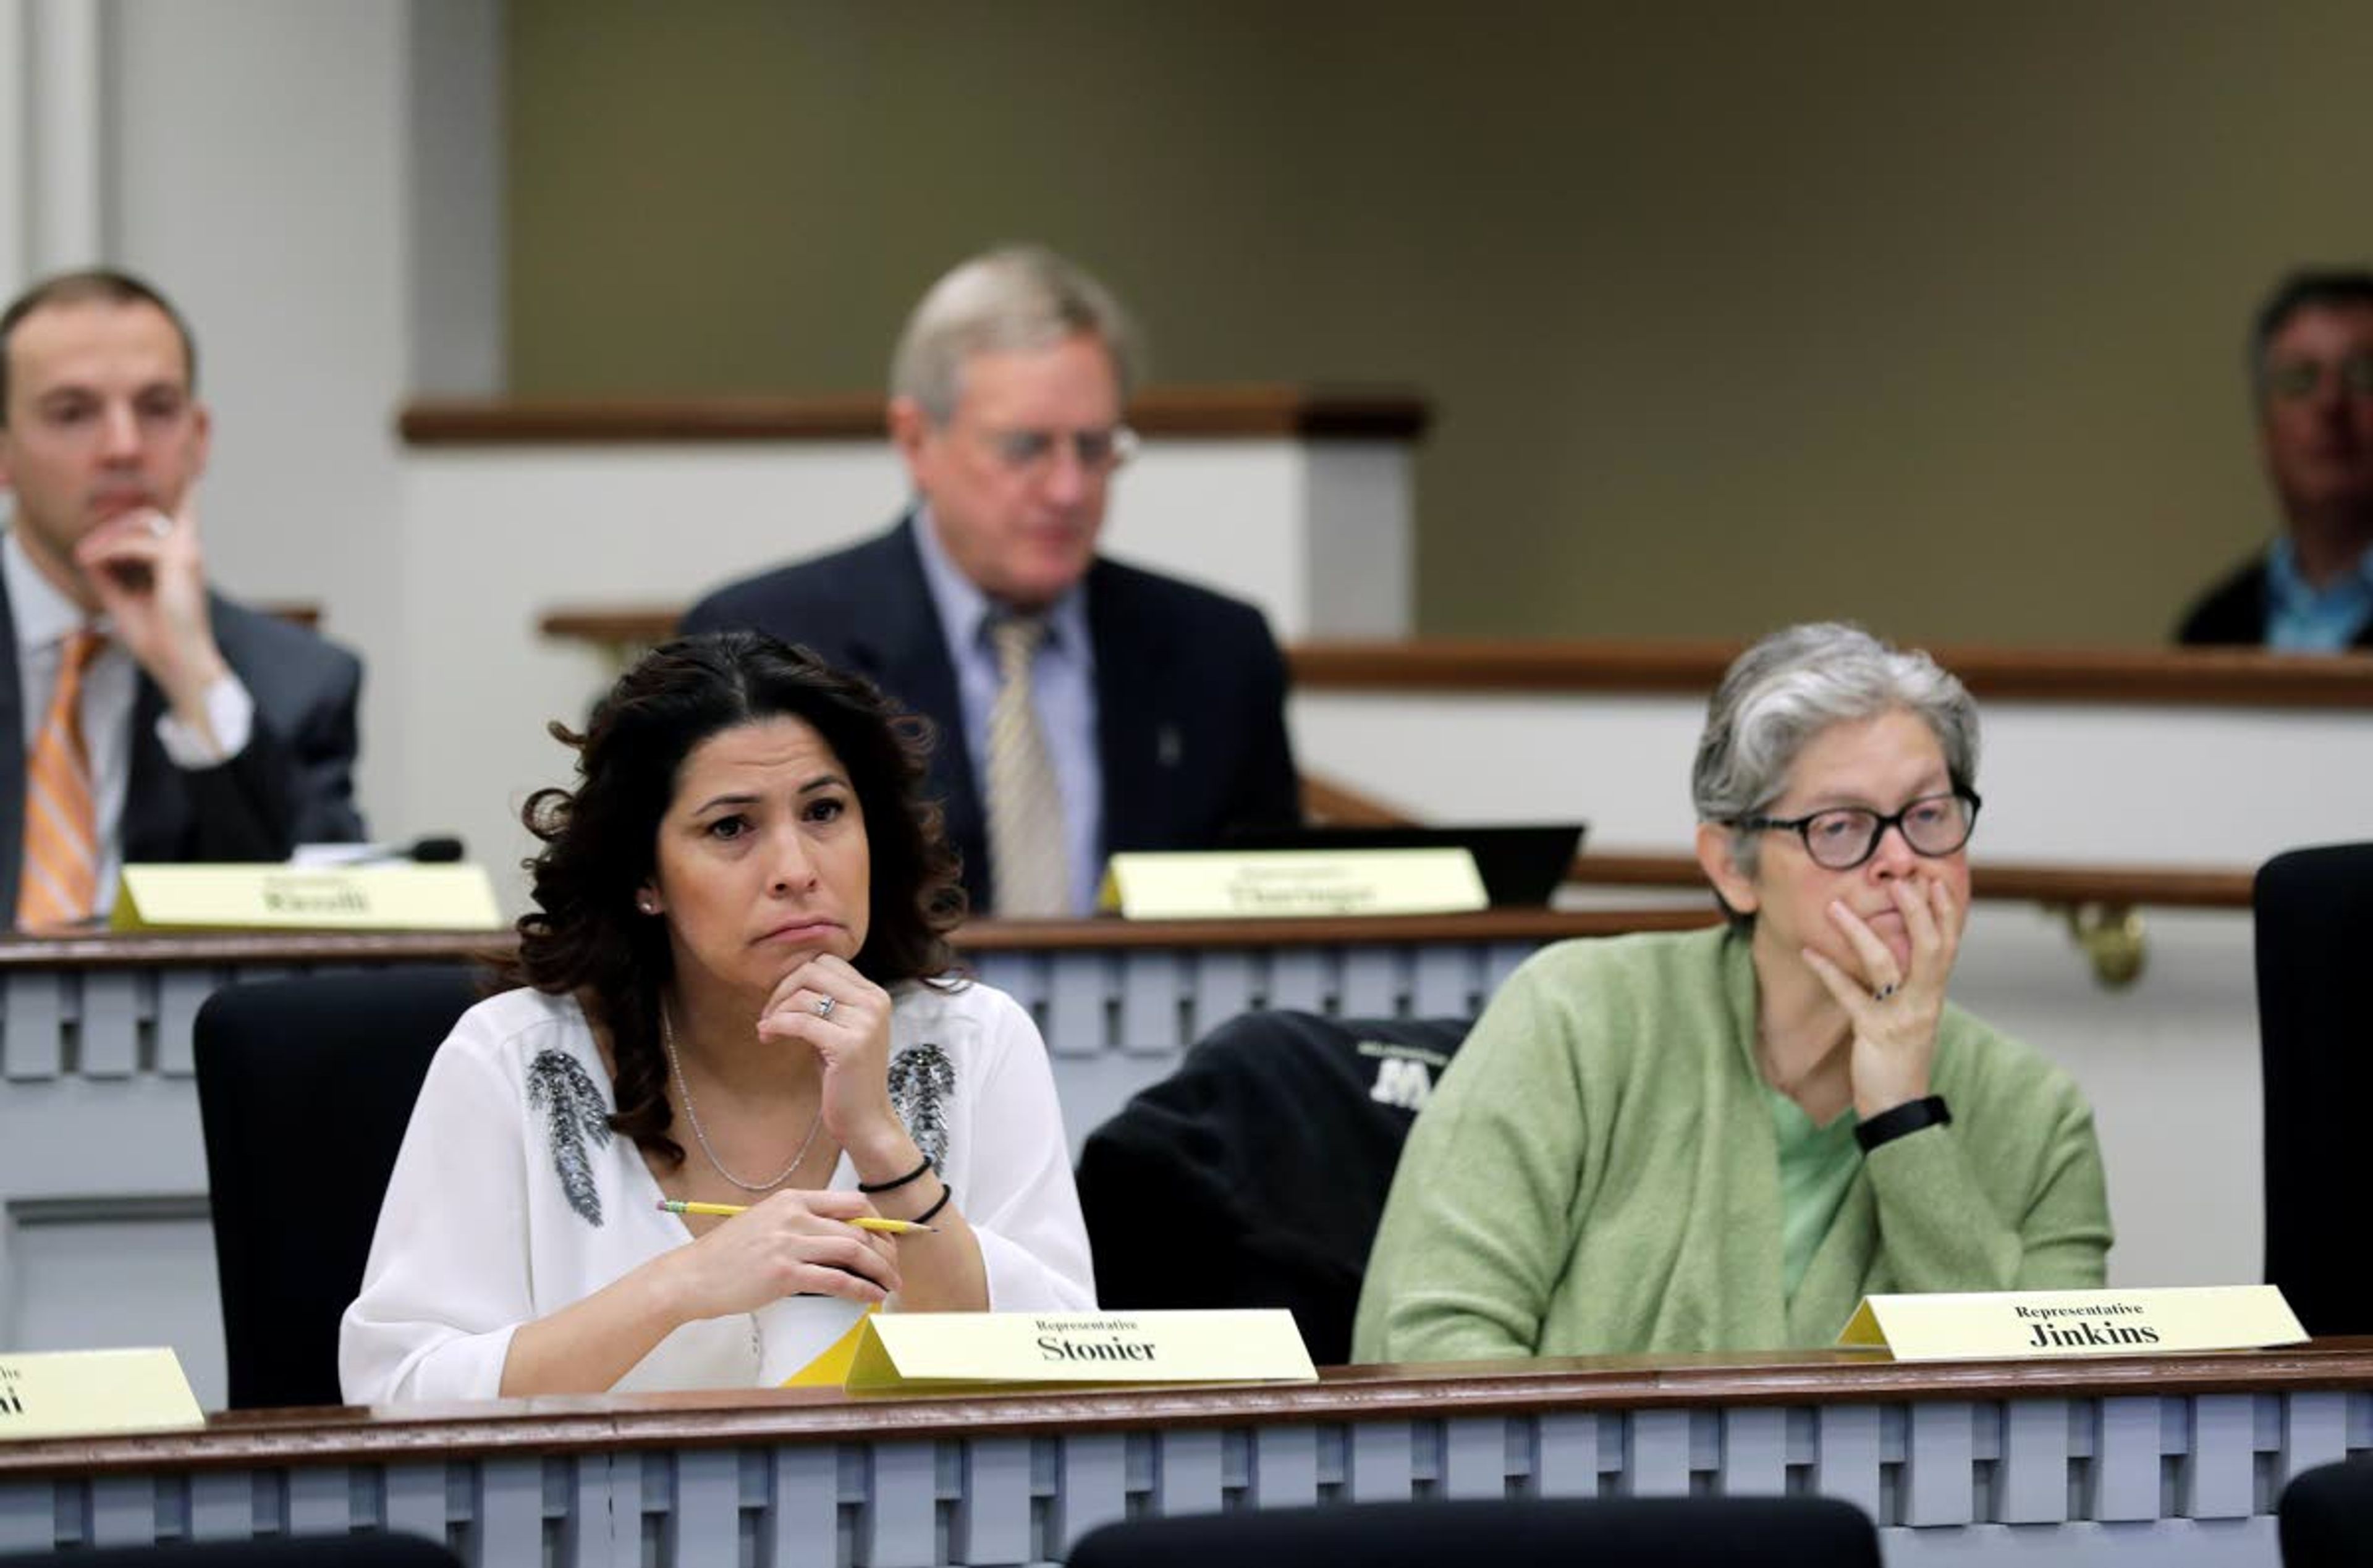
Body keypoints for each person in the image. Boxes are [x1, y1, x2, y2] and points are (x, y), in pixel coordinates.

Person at [341, 631, 1094, 1401]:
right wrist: (682, 1285)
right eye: (732, 828)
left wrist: (881, 1145)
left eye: (825, 811)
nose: (796, 871)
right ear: (646, 879)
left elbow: (1064, 1368)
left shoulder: (975, 1044)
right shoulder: (512, 1058)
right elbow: (401, 1391)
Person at [1353, 623, 2110, 1362]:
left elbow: (2047, 1417)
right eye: (1841, 827)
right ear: (1734, 869)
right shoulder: (1575, 1017)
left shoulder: (2041, 1120)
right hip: (1574, 1493)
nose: (1900, 860)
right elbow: (1430, 1348)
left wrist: (1905, 1119)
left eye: (1928, 815)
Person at [682, 245, 1301, 917]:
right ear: (916, 441)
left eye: (1094, 450)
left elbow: (1269, 930)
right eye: (1026, 448)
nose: (1068, 490)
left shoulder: (1219, 651)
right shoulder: (770, 642)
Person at [0, 268, 363, 927]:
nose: (124, 447)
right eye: (72, 413)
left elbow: (328, 950)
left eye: (157, 408)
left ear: (199, 441)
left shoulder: (296, 684)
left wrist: (193, 675)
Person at [2177, 270, 2373, 649]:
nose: (2331, 403)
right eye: (2300, 380)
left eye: (2365, 374)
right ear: (2264, 432)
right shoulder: (2210, 630)